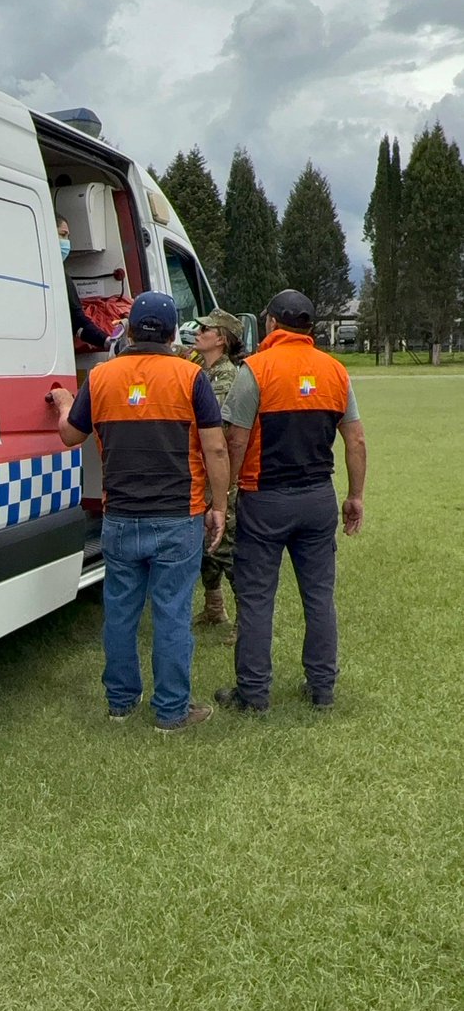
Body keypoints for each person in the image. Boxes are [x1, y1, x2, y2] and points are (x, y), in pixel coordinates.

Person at [50, 291, 230, 732]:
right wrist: (220, 505)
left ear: (129, 332)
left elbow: (70, 436)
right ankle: (171, 711)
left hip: (119, 517)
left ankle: (120, 703)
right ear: (171, 336)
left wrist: (63, 402)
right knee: (171, 614)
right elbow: (215, 448)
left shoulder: (101, 377)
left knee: (120, 613)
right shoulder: (192, 377)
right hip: (178, 517)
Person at [215, 289, 366, 713]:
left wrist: (225, 493)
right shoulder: (335, 371)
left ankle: (253, 694)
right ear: (309, 327)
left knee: (257, 597)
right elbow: (355, 439)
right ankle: (322, 687)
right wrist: (355, 496)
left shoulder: (256, 369)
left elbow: (236, 439)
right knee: (319, 597)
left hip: (265, 498)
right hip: (318, 497)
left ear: (271, 323)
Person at [192, 309, 245, 642]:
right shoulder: (200, 370)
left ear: (221, 339)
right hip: (201, 470)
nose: (199, 332)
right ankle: (214, 607)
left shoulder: (227, 377)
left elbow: (220, 431)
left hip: (219, 473)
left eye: (206, 329)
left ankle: (245, 620)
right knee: (205, 546)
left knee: (226, 546)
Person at [57, 215, 112, 351]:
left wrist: (105, 340)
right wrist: (107, 341)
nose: (66, 242)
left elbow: (77, 323)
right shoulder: (58, 277)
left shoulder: (60, 275)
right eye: (62, 235)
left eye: (68, 237)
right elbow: (78, 320)